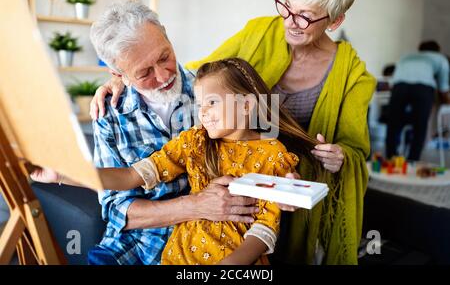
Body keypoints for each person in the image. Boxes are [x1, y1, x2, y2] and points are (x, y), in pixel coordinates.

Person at [91, 0, 376, 264]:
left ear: (335, 21)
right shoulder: (173, 106)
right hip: (155, 243)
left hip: (260, 200)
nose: (163, 76)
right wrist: (124, 80)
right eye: (287, 7)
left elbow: (352, 150)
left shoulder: (351, 78)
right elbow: (119, 198)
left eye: (165, 57)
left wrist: (336, 158)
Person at [33, 58, 320, 265]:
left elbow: (265, 229)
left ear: (246, 105)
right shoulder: (194, 141)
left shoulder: (273, 154)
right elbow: (129, 177)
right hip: (179, 256)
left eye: (212, 103)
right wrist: (64, 173)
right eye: (199, 104)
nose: (203, 113)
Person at [386, 41, 450, 161]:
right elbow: (443, 87)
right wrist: (447, 102)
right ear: (438, 50)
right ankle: (413, 161)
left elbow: (394, 79)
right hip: (423, 89)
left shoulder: (407, 56)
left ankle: (391, 159)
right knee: (420, 126)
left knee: (393, 123)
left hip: (399, 87)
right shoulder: (440, 58)